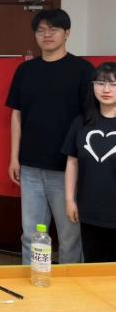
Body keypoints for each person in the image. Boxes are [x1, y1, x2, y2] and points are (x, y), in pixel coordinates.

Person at [6, 9, 94, 264]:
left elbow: (90, 120)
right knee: (31, 234)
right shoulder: (25, 70)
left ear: (67, 33)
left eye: (53, 29)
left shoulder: (83, 70)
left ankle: (69, 285)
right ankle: (34, 279)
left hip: (67, 169)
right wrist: (14, 158)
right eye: (41, 30)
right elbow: (16, 115)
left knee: (70, 235)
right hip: (30, 167)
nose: (47, 34)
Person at [63, 62, 116, 263]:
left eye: (113, 84)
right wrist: (70, 200)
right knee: (93, 265)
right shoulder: (81, 122)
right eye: (100, 83)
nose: (106, 89)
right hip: (90, 211)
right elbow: (72, 162)